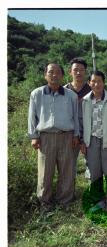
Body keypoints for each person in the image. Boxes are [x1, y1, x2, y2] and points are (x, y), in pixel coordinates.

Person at [28, 63, 79, 212]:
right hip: (45, 138)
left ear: (63, 76)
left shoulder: (72, 95)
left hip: (67, 137)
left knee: (66, 171)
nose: (54, 75)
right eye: (51, 72)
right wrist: (34, 136)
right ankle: (44, 202)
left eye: (58, 72)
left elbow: (76, 117)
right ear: (45, 75)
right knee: (45, 172)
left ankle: (65, 201)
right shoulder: (36, 94)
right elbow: (32, 117)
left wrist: (76, 135)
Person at [80, 70, 107, 217]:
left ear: (104, 83)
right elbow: (80, 123)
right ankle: (98, 201)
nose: (96, 84)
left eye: (99, 81)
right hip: (91, 142)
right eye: (93, 81)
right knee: (95, 173)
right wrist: (82, 141)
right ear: (89, 83)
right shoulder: (85, 101)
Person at [65, 57, 92, 180]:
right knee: (68, 165)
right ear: (70, 72)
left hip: (90, 133)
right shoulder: (64, 91)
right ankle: (68, 194)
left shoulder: (92, 91)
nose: (78, 72)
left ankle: (93, 194)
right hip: (69, 134)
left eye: (81, 70)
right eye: (75, 70)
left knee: (92, 165)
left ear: (85, 72)